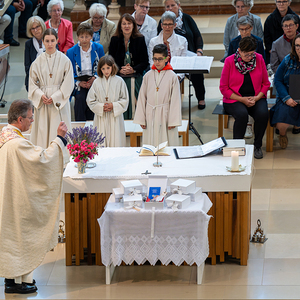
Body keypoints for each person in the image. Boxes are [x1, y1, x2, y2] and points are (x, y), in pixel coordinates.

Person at [0, 99, 69, 294]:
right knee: (19, 237)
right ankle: (18, 283)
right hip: (16, 200)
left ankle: (12, 281)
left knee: (11, 238)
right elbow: (42, 161)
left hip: (8, 197)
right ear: (20, 119)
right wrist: (59, 139)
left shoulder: (5, 135)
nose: (32, 121)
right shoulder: (16, 143)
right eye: (30, 117)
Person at [219, 36, 270, 159]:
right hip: (234, 99)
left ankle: (257, 145)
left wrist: (256, 98)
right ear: (240, 51)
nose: (250, 57)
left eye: (252, 54)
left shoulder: (259, 59)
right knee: (242, 115)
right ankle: (237, 146)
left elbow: (266, 83)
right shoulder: (230, 61)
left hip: (255, 97)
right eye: (247, 54)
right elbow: (223, 87)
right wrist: (242, 99)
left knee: (263, 114)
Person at [28, 28, 74, 148]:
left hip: (59, 102)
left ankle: (62, 158)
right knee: (43, 131)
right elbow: (32, 84)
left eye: (52, 40)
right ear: (43, 41)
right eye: (47, 41)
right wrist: (40, 95)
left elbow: (68, 83)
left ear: (57, 40)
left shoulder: (65, 60)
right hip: (43, 101)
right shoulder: (37, 62)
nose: (50, 44)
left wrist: (54, 97)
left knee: (58, 128)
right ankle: (44, 157)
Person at [158, 0, 206, 109]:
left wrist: (199, 51)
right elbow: (158, 40)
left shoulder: (187, 19)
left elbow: (197, 35)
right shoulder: (163, 21)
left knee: (197, 73)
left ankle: (201, 98)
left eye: (172, 5)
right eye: (167, 6)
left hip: (189, 55)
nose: (170, 8)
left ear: (178, 6)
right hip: (170, 57)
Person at [134, 44, 182, 146]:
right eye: (155, 59)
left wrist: (173, 121)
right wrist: (141, 119)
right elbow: (142, 98)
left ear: (167, 59)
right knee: (150, 145)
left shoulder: (172, 76)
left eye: (160, 59)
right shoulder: (147, 76)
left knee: (166, 145)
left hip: (165, 115)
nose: (157, 62)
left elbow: (175, 100)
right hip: (150, 114)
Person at [109, 13, 149, 120]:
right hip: (118, 75)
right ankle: (122, 120)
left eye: (129, 23)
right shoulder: (114, 39)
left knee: (133, 85)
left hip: (136, 75)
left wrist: (133, 69)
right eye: (124, 24)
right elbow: (110, 61)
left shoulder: (140, 39)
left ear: (133, 25)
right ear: (120, 26)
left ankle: (135, 118)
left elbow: (145, 62)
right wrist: (119, 70)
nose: (126, 26)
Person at [86, 55, 129, 147]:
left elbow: (125, 99)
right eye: (103, 68)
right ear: (100, 69)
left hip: (115, 118)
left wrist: (113, 105)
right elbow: (90, 100)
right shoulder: (97, 82)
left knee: (116, 141)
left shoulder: (119, 81)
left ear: (113, 67)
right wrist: (101, 107)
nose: (106, 71)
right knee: (101, 142)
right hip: (101, 117)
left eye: (108, 68)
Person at [66, 23, 105, 121]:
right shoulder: (71, 52)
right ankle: (80, 126)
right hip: (79, 82)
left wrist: (95, 78)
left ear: (91, 37)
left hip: (95, 81)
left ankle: (93, 125)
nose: (84, 40)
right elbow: (69, 71)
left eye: (87, 37)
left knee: (94, 98)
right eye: (81, 37)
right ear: (77, 37)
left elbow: (103, 66)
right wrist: (79, 82)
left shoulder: (98, 48)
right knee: (80, 98)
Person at [270, 34, 300, 149]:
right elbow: (277, 80)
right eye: (297, 46)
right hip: (288, 96)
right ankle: (282, 135)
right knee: (281, 122)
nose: (299, 49)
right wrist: (286, 98)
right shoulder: (288, 60)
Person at [149, 11, 187, 82]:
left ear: (175, 25)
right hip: (158, 75)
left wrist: (177, 77)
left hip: (175, 75)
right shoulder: (153, 42)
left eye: (170, 24)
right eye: (165, 24)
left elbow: (183, 64)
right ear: (161, 25)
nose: (167, 27)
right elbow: (152, 63)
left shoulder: (183, 41)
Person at [24, 16, 47, 91]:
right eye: (32, 28)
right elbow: (27, 66)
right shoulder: (28, 44)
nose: (36, 30)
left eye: (37, 27)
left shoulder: (50, 40)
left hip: (49, 79)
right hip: (33, 80)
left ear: (42, 26)